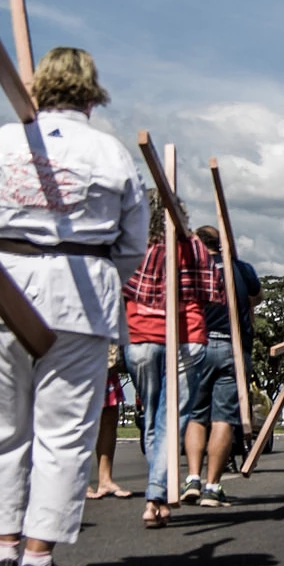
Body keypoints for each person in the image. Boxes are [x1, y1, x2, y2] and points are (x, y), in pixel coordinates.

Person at [0, 47, 147, 566]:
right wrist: (88, 260)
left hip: (5, 284)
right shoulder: (110, 153)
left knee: (3, 425)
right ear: (92, 96)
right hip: (78, 298)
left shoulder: (2, 141)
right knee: (65, 431)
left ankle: (4, 548)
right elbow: (133, 241)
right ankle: (37, 556)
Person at [126, 200, 209, 526]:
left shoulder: (135, 248)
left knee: (153, 419)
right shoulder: (194, 249)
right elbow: (212, 289)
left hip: (142, 338)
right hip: (187, 338)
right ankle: (156, 494)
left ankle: (156, 492)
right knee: (170, 420)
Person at [188, 226, 256, 505]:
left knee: (196, 414)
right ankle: (212, 486)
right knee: (223, 418)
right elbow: (256, 298)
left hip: (198, 344)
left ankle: (193, 477)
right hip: (232, 346)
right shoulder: (241, 269)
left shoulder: (192, 268)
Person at [89, 343, 135, 500]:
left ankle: (105, 479)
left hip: (107, 357)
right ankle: (79, 482)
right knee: (79, 423)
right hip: (78, 356)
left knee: (109, 417)